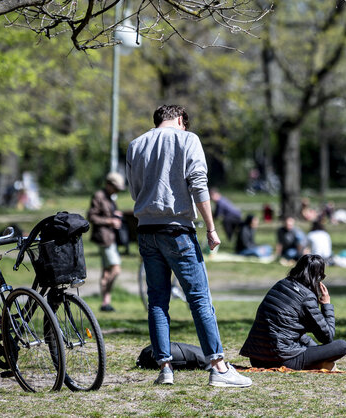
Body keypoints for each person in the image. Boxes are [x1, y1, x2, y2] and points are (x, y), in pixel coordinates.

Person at [125, 104, 252, 388]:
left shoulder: (135, 145)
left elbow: (135, 191)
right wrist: (211, 227)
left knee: (157, 300)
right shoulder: (188, 140)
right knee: (199, 299)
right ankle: (219, 367)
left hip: (146, 229)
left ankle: (165, 368)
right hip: (178, 229)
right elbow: (198, 184)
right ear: (181, 120)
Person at [240, 254, 346, 370]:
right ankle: (318, 364)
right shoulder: (307, 296)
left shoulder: (281, 284)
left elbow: (292, 330)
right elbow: (327, 336)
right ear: (317, 277)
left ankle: (317, 362)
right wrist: (326, 305)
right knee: (342, 346)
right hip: (282, 360)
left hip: (256, 358)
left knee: (306, 339)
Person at [88, 172, 125, 312]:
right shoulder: (99, 196)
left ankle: (105, 302)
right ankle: (105, 299)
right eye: (115, 187)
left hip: (111, 237)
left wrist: (116, 215)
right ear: (108, 184)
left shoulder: (110, 197)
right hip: (104, 238)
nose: (117, 191)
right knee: (116, 269)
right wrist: (110, 221)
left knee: (106, 272)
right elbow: (92, 216)